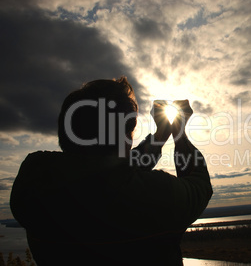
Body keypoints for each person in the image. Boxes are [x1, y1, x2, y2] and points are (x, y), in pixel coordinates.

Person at [10, 77, 213, 266]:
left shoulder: (35, 179)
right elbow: (199, 185)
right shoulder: (154, 196)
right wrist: (180, 136)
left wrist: (159, 137)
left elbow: (106, 172)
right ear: (123, 134)